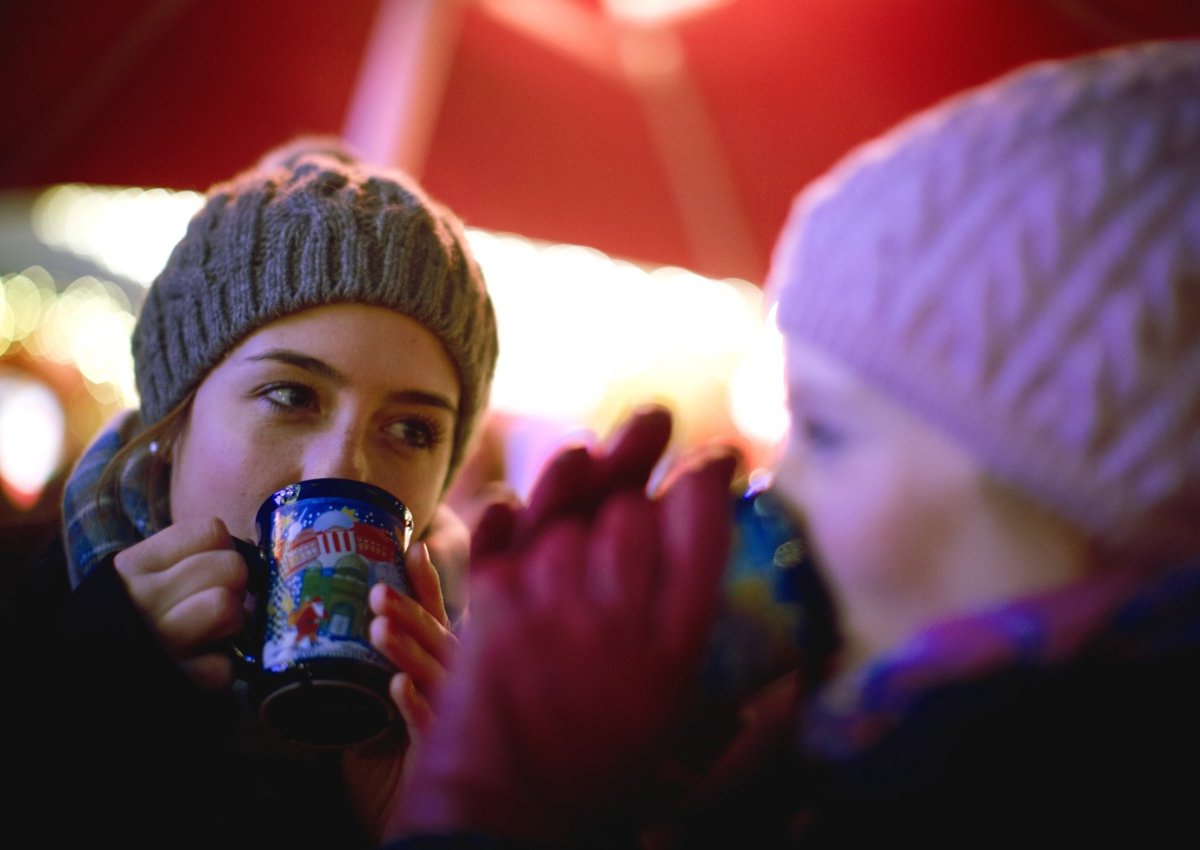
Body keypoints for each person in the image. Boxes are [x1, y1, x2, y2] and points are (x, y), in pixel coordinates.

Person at [376, 38, 1200, 847]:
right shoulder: (885, 755)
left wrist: (497, 807)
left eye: (828, 433)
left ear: (1098, 497)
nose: (775, 486)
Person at [10, 137, 498, 848]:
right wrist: (82, 712)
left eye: (413, 430)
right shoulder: (23, 608)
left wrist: (431, 831)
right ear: (173, 422)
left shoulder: (475, 714)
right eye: (291, 394)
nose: (344, 469)